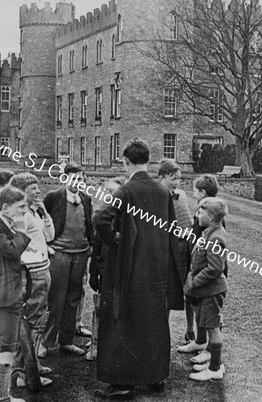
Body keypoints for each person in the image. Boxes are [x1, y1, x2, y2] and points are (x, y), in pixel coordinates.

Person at [93, 138, 183, 399]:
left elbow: (101, 219)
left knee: (123, 322)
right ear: (148, 160)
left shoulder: (126, 190)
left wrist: (114, 239)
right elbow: (172, 231)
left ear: (126, 161)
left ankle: (122, 382)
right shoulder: (162, 191)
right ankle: (154, 378)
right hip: (156, 270)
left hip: (129, 269)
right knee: (153, 323)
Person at [0, 186, 32, 402]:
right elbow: (11, 251)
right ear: (6, 207)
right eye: (21, 207)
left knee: (0, 347)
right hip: (4, 297)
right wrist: (21, 231)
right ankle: (2, 399)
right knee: (6, 351)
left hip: (4, 294)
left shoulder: (0, 226)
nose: (25, 211)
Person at [41, 163, 94, 357]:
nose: (77, 182)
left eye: (80, 179)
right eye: (73, 178)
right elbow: (39, 221)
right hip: (59, 255)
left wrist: (91, 245)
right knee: (56, 299)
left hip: (80, 255)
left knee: (73, 298)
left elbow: (89, 225)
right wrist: (46, 245)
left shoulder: (86, 199)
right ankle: (45, 342)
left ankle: (66, 341)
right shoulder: (53, 197)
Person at [8, 173, 55, 383]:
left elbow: (49, 236)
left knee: (37, 317)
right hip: (32, 271)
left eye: (37, 187)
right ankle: (23, 371)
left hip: (41, 268)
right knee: (32, 320)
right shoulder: (20, 215)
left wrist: (44, 213)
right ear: (20, 192)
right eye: (33, 188)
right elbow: (17, 246)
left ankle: (31, 364)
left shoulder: (32, 212)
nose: (38, 191)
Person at [178, 174, 228, 361]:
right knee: (199, 306)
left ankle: (210, 352)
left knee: (211, 316)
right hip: (200, 268)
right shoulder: (206, 215)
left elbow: (215, 262)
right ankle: (200, 341)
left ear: (203, 193)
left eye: (195, 190)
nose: (193, 194)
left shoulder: (213, 220)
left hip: (207, 274)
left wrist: (195, 280)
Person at [85, 176, 126, 362]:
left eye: (114, 193)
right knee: (100, 308)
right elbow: (97, 248)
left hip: (121, 272)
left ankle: (115, 344)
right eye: (108, 192)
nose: (110, 196)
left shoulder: (127, 219)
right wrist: (95, 272)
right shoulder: (103, 217)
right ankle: (95, 344)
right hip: (104, 271)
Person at [158, 159, 194, 343]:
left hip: (183, 247)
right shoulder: (156, 196)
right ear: (162, 177)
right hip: (164, 250)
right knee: (165, 292)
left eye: (179, 179)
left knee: (189, 289)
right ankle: (161, 331)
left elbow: (188, 223)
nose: (177, 182)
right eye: (173, 178)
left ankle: (190, 331)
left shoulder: (182, 196)